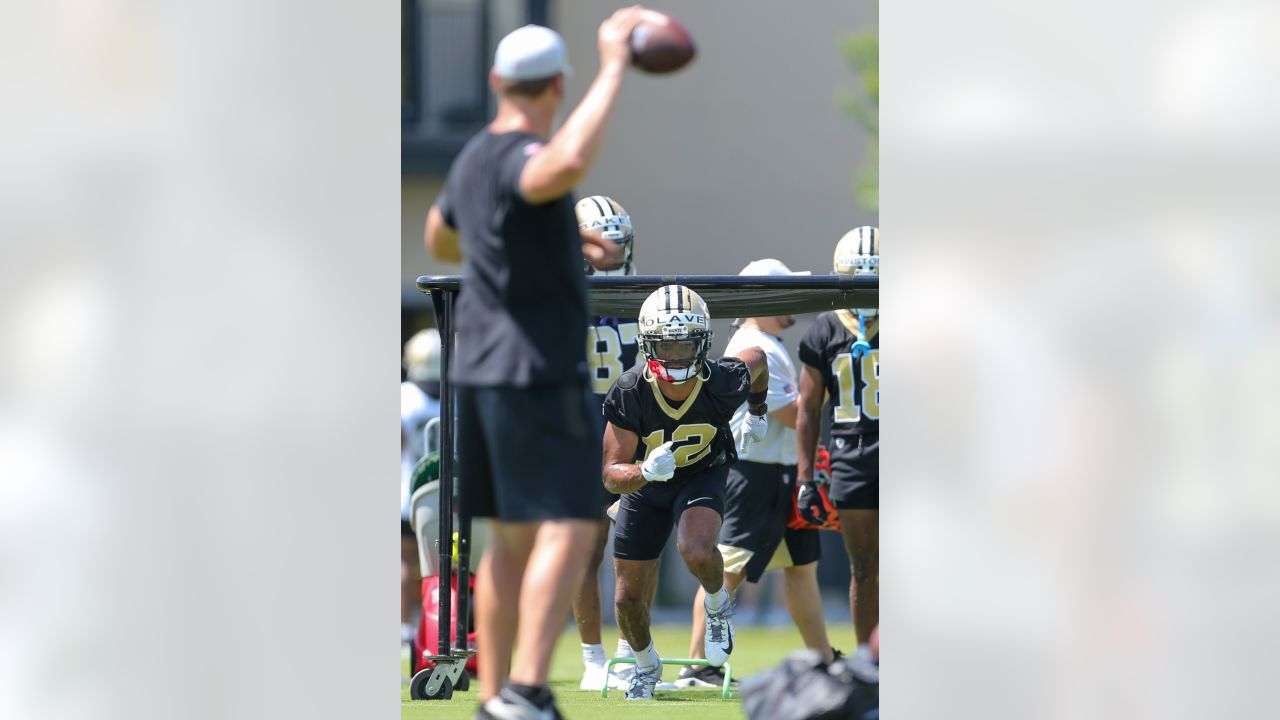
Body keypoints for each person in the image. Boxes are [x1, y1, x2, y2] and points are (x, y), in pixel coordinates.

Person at [423, 11, 651, 719]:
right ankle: (524, 689)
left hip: (479, 366)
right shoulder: (530, 156)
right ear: (557, 85)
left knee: (510, 541)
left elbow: (439, 239)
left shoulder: (470, 160)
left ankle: (496, 699)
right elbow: (566, 164)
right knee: (574, 525)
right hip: (534, 366)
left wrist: (551, 233)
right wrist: (615, 64)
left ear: (495, 80)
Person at [602, 285, 771, 700]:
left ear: (703, 343)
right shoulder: (629, 391)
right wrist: (643, 469)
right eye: (667, 344)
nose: (677, 355)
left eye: (685, 344)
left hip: (703, 473)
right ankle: (645, 667)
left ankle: (716, 604)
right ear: (647, 344)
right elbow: (609, 473)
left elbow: (760, 361)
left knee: (696, 549)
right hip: (647, 486)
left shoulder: (722, 380)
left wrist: (757, 411)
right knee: (626, 599)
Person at [679, 259, 842, 689]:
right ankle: (698, 663)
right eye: (782, 291)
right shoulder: (755, 346)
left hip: (782, 471)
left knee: (801, 568)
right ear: (762, 296)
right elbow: (793, 414)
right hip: (754, 474)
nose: (791, 301)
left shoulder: (768, 341)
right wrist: (833, 389)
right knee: (725, 569)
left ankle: (823, 659)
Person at [571, 194, 656, 692]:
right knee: (585, 550)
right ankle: (591, 658)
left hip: (635, 431)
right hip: (584, 431)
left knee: (638, 549)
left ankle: (629, 649)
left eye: (618, 241)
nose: (613, 251)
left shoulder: (648, 293)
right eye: (604, 240)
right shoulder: (563, 293)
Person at [796, 226, 880, 663]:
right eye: (857, 278)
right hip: (851, 452)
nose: (865, 288)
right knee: (864, 565)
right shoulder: (826, 328)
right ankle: (870, 663)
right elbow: (808, 408)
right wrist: (806, 479)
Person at [401, 328, 442, 646]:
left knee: (404, 562)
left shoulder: (405, 396)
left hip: (407, 488)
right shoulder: (454, 395)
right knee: (444, 561)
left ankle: (404, 627)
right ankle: (439, 626)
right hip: (442, 489)